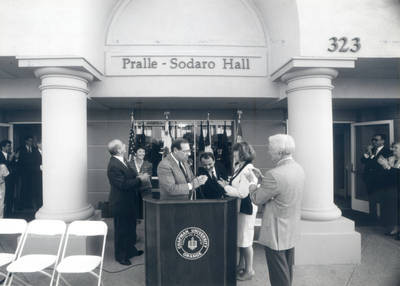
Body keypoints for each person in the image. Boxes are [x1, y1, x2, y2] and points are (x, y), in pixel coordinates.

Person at [248, 134, 305, 286]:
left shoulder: (274, 174)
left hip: (276, 230)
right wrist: (263, 179)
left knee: (278, 273)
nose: (269, 153)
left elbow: (257, 198)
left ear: (280, 152)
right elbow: (282, 191)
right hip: (291, 226)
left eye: (271, 150)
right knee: (286, 268)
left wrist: (252, 184)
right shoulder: (298, 168)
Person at [217, 142, 258, 281]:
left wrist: (225, 187)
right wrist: (228, 184)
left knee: (245, 239)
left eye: (236, 152)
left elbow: (242, 193)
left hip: (246, 208)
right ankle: (241, 265)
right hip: (240, 207)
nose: (233, 154)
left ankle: (249, 270)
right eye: (234, 152)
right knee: (241, 238)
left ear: (243, 153)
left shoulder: (248, 169)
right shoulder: (239, 166)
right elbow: (237, 186)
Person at [107, 139, 150, 265]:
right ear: (119, 149)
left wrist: (138, 176)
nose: (125, 146)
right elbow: (123, 185)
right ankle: (121, 256)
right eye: (122, 145)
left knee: (131, 229)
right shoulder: (113, 165)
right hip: (121, 204)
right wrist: (140, 179)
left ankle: (130, 251)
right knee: (122, 231)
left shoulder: (123, 160)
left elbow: (129, 176)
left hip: (130, 202)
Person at [361, 134, 392, 223]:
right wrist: (368, 152)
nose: (374, 141)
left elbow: (376, 164)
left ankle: (383, 219)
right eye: (373, 139)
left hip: (380, 180)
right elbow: (362, 160)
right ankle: (372, 218)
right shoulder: (371, 150)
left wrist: (371, 155)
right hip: (369, 179)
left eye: (376, 140)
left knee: (382, 200)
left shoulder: (387, 151)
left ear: (382, 141)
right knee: (372, 199)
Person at [377, 142, 400, 240]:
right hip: (394, 189)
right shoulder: (395, 160)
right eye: (393, 148)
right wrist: (385, 166)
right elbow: (390, 177)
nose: (393, 150)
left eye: (396, 148)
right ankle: (396, 227)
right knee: (395, 209)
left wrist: (388, 167)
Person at [128, 146, 152, 219]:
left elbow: (148, 177)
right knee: (133, 210)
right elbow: (128, 177)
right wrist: (141, 177)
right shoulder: (129, 164)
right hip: (133, 190)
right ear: (135, 153)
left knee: (144, 210)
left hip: (145, 190)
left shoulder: (148, 164)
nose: (142, 153)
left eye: (143, 152)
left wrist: (137, 177)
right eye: (140, 151)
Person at [0, 139, 17, 217]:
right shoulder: (0, 154)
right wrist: (10, 159)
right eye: (8, 146)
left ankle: (9, 213)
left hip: (11, 179)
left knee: (10, 195)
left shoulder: (11, 154)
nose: (10, 148)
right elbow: (3, 166)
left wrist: (15, 159)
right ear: (3, 147)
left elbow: (14, 166)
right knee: (3, 197)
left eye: (10, 146)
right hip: (2, 180)